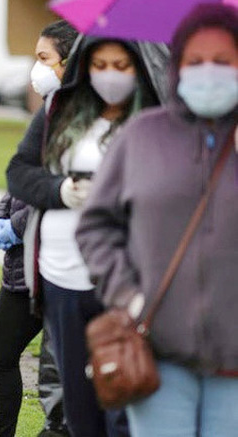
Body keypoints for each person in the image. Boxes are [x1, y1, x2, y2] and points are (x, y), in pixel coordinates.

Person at [76, 4, 237, 436]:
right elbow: (95, 226)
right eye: (195, 61)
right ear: (176, 66)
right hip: (155, 347)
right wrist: (127, 295)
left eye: (223, 61)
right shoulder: (142, 135)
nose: (208, 71)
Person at [7, 35, 163, 436]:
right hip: (62, 277)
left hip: (126, 279)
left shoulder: (155, 119)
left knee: (125, 400)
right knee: (79, 407)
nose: (109, 76)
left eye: (121, 66)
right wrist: (62, 190)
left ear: (138, 69)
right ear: (84, 66)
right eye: (100, 65)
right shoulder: (58, 110)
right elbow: (19, 172)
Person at [0, 21, 77, 437]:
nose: (35, 69)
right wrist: (0, 218)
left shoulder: (80, 120)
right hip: (25, 262)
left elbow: (64, 187)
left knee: (61, 378)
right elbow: (19, 176)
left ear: (68, 64)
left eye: (43, 58)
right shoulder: (48, 112)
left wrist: (17, 226)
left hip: (56, 262)